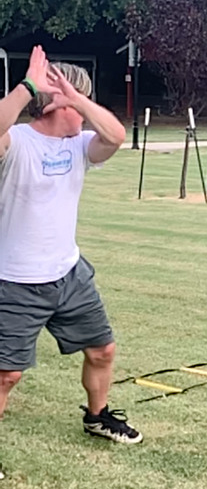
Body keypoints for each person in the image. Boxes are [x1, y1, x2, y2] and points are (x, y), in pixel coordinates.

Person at [0, 45, 143, 444]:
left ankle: (97, 417)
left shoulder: (79, 145)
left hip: (69, 274)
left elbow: (116, 135)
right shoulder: (16, 142)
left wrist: (77, 98)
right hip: (14, 280)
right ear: (55, 104)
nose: (85, 110)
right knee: (6, 375)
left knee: (102, 350)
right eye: (81, 100)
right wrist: (29, 86)